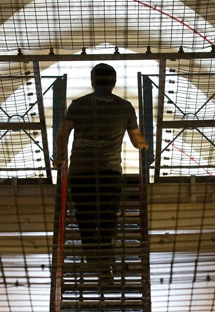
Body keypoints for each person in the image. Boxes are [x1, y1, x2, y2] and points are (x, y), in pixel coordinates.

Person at [52, 63, 149, 283]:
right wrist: (145, 146)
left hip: (80, 172)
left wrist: (60, 157)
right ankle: (106, 263)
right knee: (107, 218)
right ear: (113, 83)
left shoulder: (79, 104)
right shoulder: (124, 107)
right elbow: (136, 141)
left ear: (93, 82)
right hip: (109, 172)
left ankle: (92, 258)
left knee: (85, 218)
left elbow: (62, 134)